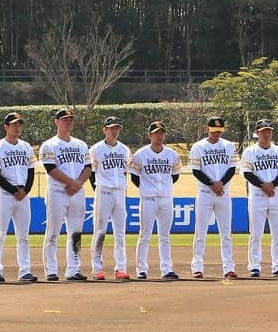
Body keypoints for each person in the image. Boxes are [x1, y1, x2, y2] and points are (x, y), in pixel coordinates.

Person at [40, 108, 91, 281]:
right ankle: (51, 270)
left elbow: (88, 167)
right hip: (57, 191)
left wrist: (77, 184)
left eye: (70, 119)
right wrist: (72, 183)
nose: (67, 122)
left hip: (77, 191)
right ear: (57, 122)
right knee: (53, 231)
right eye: (64, 119)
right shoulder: (49, 144)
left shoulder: (81, 144)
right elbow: (50, 168)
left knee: (76, 233)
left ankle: (73, 269)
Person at [0, 112, 37, 282]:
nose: (17, 127)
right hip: (5, 195)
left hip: (23, 196)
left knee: (23, 236)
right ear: (6, 127)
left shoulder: (26, 147)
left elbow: (31, 171)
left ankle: (25, 271)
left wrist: (25, 191)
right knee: (0, 234)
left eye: (19, 124)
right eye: (14, 124)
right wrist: (14, 190)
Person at [131, 121, 182, 280]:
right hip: (148, 199)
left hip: (166, 199)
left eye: (161, 133)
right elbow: (134, 177)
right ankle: (141, 269)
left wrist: (164, 188)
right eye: (156, 133)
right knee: (145, 234)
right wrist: (147, 188)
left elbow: (175, 175)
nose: (159, 136)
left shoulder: (172, 154)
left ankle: (166, 269)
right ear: (150, 135)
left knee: (165, 235)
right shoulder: (141, 154)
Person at [188, 115, 238, 279]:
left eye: (219, 130)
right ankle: (197, 267)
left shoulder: (229, 146)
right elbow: (196, 170)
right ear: (207, 129)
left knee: (226, 233)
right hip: (205, 194)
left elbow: (232, 168)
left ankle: (229, 267)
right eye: (214, 130)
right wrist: (212, 184)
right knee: (200, 232)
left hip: (223, 192)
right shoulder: (198, 147)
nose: (216, 133)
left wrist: (221, 183)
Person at [242, 119, 278, 278]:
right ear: (257, 133)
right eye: (263, 131)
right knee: (256, 233)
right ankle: (254, 266)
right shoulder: (250, 151)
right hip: (257, 196)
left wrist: (272, 185)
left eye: (269, 130)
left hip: (276, 195)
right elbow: (247, 173)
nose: (267, 133)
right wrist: (264, 186)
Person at [88, 116, 131, 280]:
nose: (114, 131)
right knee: (100, 231)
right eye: (111, 128)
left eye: (117, 128)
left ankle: (120, 267)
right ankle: (97, 268)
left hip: (119, 192)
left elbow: (125, 171)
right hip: (104, 191)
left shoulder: (124, 150)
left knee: (120, 232)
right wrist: (98, 189)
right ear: (104, 129)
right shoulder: (96, 149)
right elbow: (92, 173)